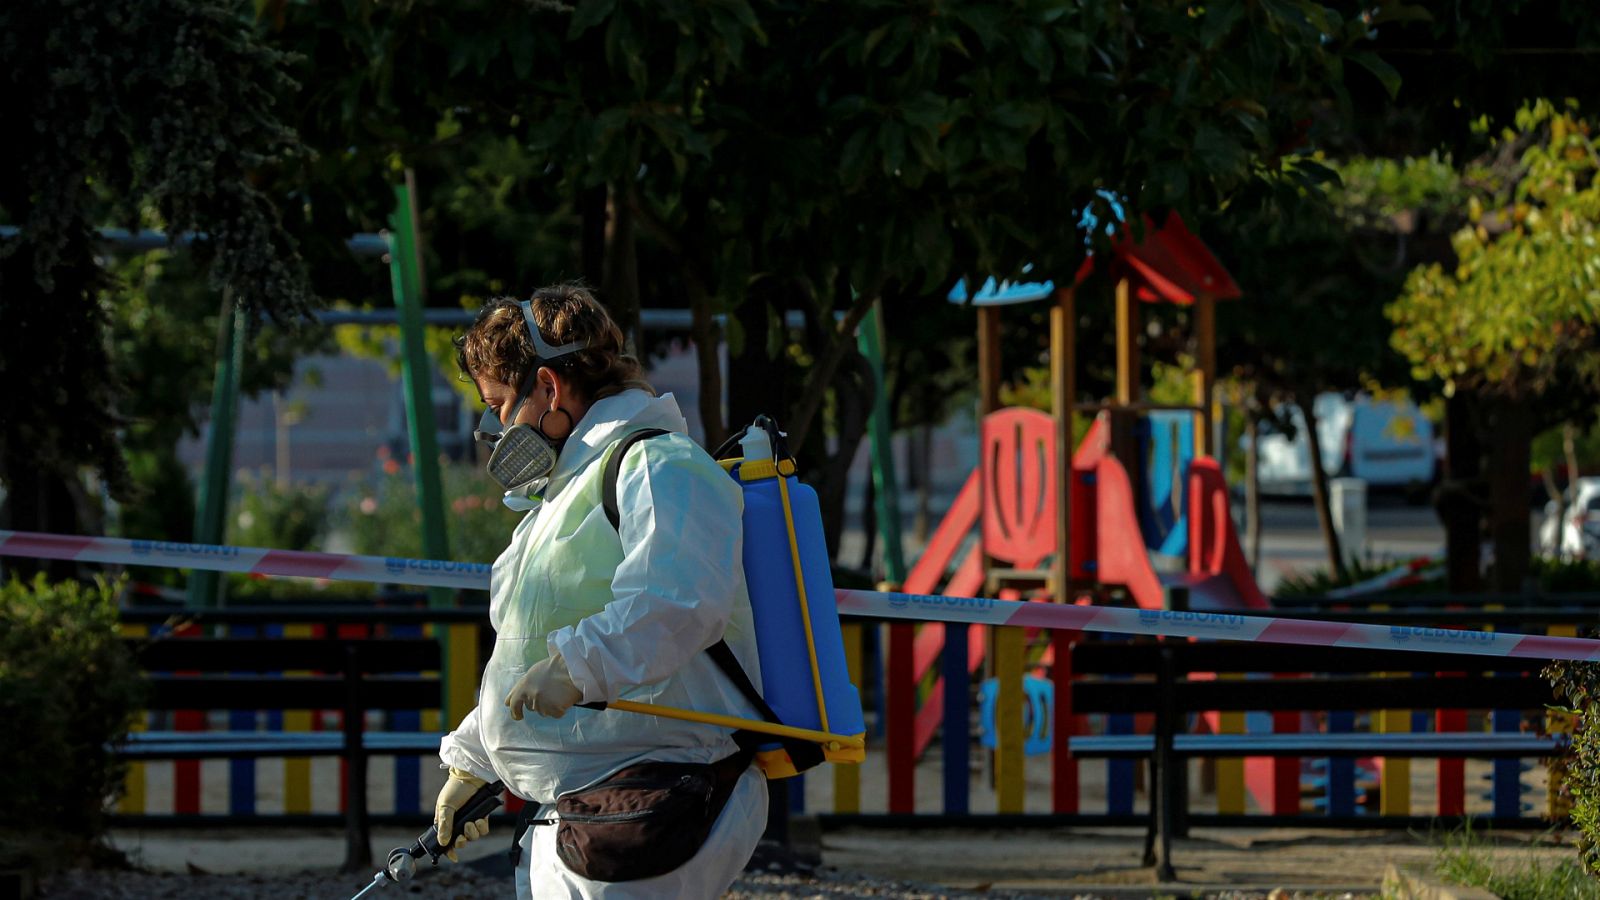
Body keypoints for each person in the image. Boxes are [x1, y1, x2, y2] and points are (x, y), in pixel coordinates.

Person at [436, 285, 768, 898]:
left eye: (502, 402)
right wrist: (473, 760)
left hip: (662, 795)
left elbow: (679, 601)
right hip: (587, 809)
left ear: (549, 387)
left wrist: (578, 665)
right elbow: (526, 652)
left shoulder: (661, 466)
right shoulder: (561, 499)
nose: (496, 426)